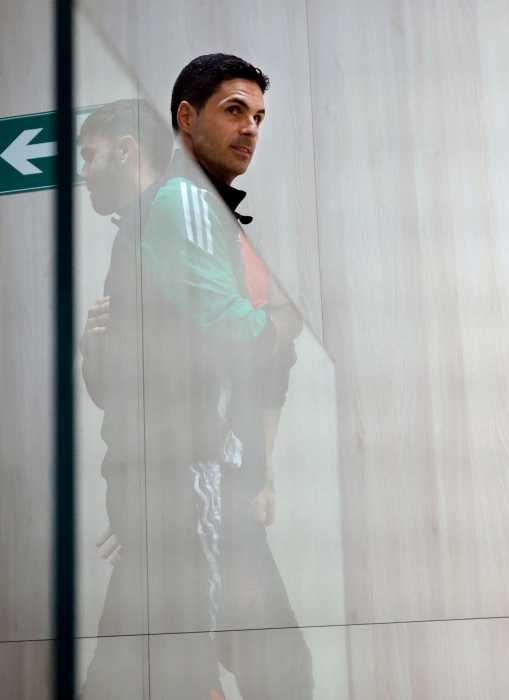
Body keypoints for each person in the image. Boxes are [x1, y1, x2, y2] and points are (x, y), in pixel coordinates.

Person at [78, 55, 312, 700]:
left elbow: (243, 343)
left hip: (192, 485)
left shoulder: (180, 206)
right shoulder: (173, 212)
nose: (251, 130)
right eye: (235, 111)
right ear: (187, 118)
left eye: (256, 116)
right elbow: (143, 379)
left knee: (257, 666)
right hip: (176, 489)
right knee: (155, 672)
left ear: (126, 151)